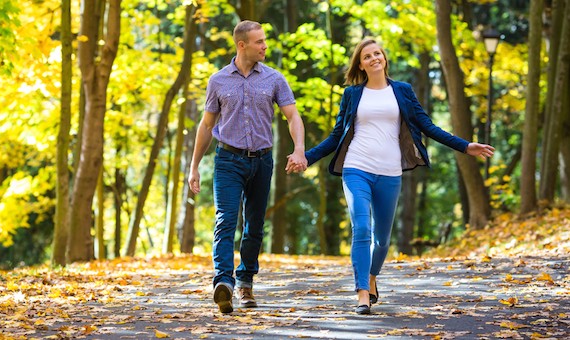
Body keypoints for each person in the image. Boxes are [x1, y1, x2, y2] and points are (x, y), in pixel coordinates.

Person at [287, 38, 494, 315]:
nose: (374, 58)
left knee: (382, 241)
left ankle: (372, 276)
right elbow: (337, 136)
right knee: (361, 229)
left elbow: (427, 126)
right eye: (367, 56)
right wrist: (306, 157)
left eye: (377, 53)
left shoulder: (402, 91)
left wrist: (465, 146)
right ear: (360, 64)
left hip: (389, 172)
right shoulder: (352, 95)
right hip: (356, 168)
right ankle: (362, 292)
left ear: (384, 58)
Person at [188, 20, 308, 314]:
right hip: (228, 160)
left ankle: (245, 283)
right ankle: (224, 283)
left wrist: (299, 149)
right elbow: (206, 125)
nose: (265, 46)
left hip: (262, 161)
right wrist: (194, 167)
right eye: (260, 42)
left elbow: (292, 117)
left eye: (265, 41)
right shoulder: (218, 81)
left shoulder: (274, 79)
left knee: (254, 226)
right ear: (242, 45)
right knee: (225, 220)